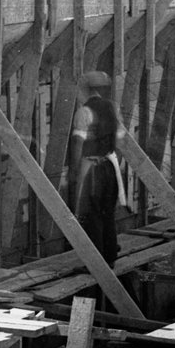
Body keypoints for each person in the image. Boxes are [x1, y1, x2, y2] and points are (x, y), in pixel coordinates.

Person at [66, 70, 122, 267]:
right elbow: (119, 138)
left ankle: (96, 263)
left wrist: (73, 171)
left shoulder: (84, 112)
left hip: (92, 169)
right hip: (110, 166)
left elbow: (77, 144)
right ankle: (110, 256)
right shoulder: (112, 108)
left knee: (91, 214)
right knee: (108, 212)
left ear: (87, 90)